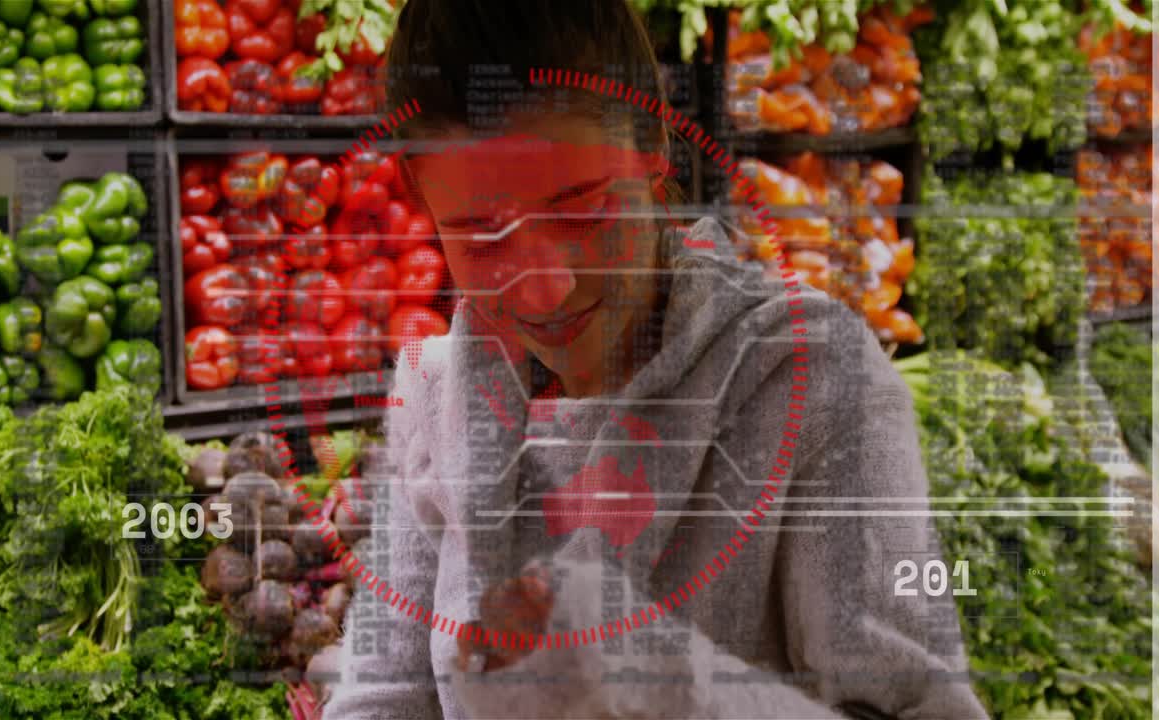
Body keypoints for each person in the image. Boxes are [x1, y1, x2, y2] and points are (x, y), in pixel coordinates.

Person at [324, 1, 990, 718]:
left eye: (584, 212)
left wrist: (655, 675)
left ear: (655, 150)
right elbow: (382, 696)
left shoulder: (811, 378)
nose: (546, 285)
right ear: (422, 203)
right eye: (480, 237)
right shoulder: (436, 394)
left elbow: (916, 707)